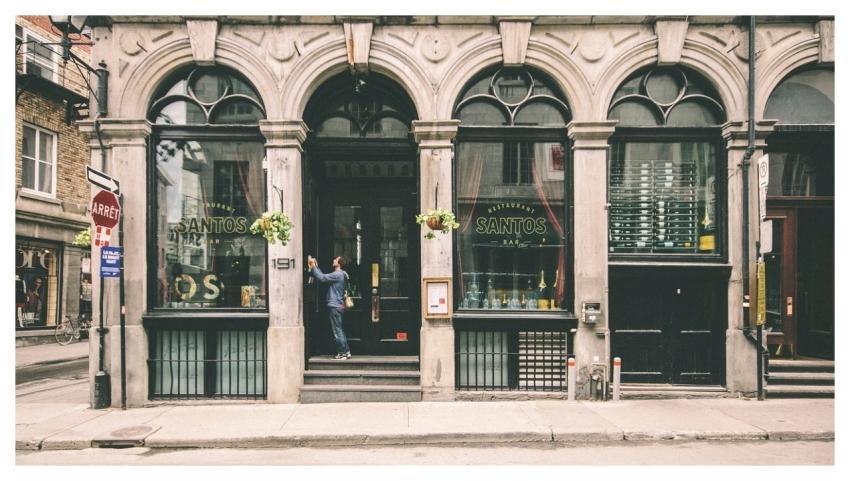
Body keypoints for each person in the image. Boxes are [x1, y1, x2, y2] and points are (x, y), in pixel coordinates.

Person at [308, 255, 351, 360]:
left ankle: (342, 353)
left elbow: (322, 278)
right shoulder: (342, 274)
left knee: (337, 331)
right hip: (338, 305)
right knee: (339, 329)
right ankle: (346, 351)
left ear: (339, 263)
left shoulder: (337, 274)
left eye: (335, 259)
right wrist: (316, 267)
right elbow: (323, 275)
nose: (333, 260)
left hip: (334, 305)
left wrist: (313, 266)